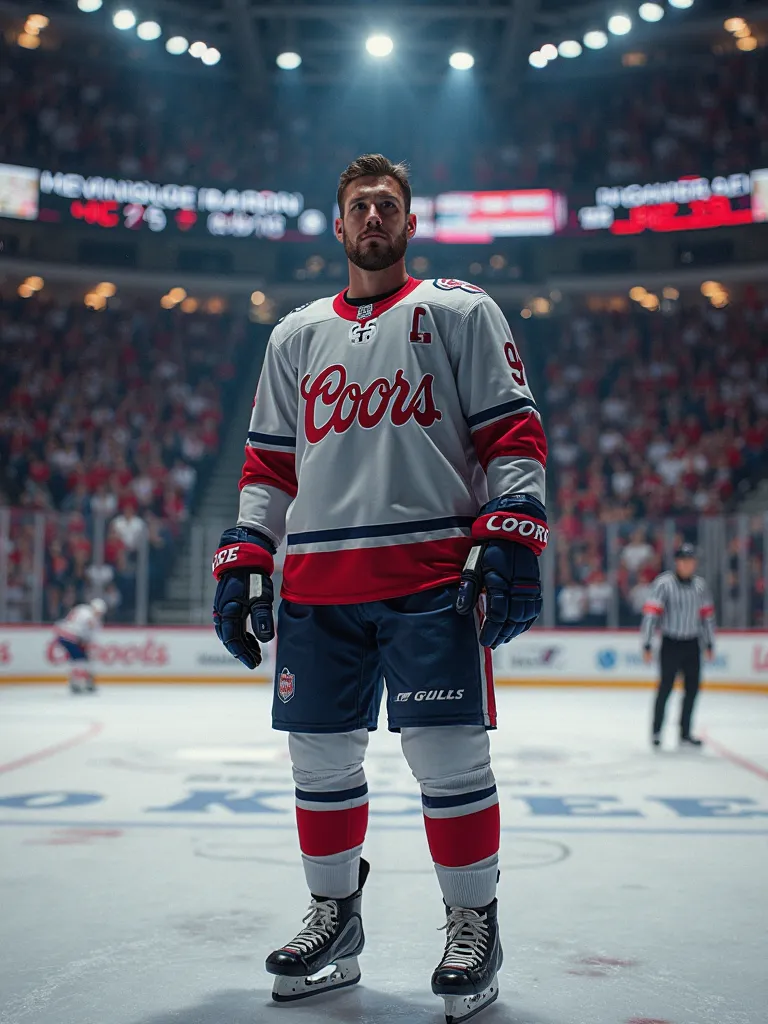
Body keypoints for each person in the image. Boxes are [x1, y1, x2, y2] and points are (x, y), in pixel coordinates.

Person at [211, 154, 548, 1022]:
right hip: (319, 582)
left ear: (408, 223)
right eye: (358, 204)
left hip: (432, 573)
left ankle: (475, 923)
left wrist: (515, 531)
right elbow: (267, 465)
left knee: (447, 755)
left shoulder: (460, 310)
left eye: (385, 204)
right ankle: (336, 918)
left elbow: (512, 431)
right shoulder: (294, 334)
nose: (371, 216)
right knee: (318, 759)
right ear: (337, 224)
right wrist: (249, 548)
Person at [641, 543, 715, 748]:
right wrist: (646, 644)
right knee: (665, 687)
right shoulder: (664, 584)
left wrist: (709, 643)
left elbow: (707, 617)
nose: (688, 565)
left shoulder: (700, 587)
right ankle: (656, 731)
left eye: (691, 561)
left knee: (692, 689)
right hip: (671, 642)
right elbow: (651, 615)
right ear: (677, 562)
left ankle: (685, 732)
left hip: (692, 643)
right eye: (684, 561)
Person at [54, 597, 107, 694]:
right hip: (71, 637)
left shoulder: (81, 608)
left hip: (63, 635)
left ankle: (79, 682)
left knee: (78, 660)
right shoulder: (90, 616)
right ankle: (79, 683)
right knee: (80, 660)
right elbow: (88, 628)